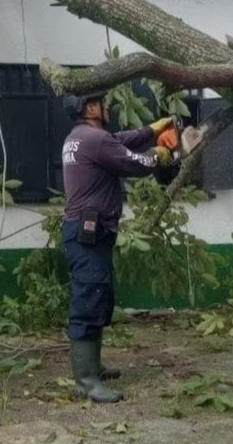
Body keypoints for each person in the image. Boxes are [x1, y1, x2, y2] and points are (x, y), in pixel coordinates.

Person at [61, 91, 173, 403]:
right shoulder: (94, 141)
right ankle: (86, 382)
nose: (106, 106)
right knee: (88, 300)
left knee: (98, 296)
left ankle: (93, 368)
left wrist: (151, 130)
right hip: (89, 233)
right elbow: (132, 162)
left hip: (90, 231)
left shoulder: (79, 137)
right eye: (101, 102)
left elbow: (119, 139)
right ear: (90, 107)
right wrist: (157, 155)